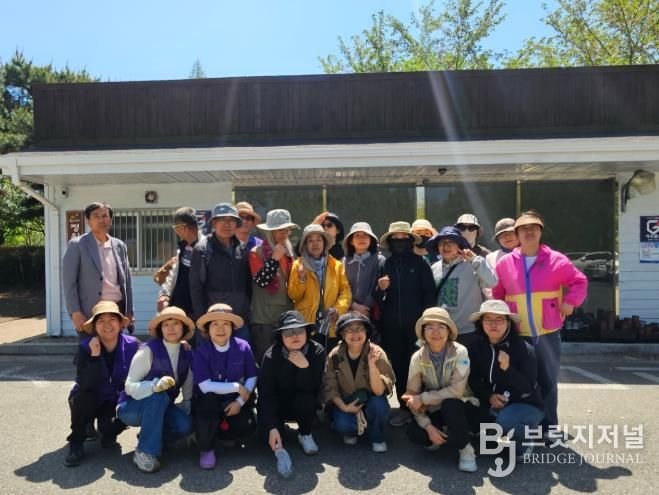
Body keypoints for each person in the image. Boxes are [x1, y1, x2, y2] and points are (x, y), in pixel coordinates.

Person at [492, 210, 587, 437]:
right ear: (517, 234)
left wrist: (571, 301)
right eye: (524, 229)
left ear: (541, 232)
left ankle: (548, 427)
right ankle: (523, 426)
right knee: (519, 381)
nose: (529, 232)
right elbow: (498, 295)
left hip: (547, 333)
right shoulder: (505, 263)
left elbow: (579, 281)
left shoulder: (556, 260)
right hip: (517, 333)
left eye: (534, 228)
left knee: (547, 382)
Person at [116, 306, 195, 473]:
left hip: (162, 406)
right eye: (166, 324)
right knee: (158, 396)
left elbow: (188, 382)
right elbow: (129, 386)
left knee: (185, 425)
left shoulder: (187, 351)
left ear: (184, 328)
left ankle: (149, 436)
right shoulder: (148, 350)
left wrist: (188, 404)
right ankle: (144, 451)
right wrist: (154, 386)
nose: (171, 328)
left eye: (176, 323)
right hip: (131, 407)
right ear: (160, 329)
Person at [402, 307, 480, 473]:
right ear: (423, 332)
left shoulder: (460, 352)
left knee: (450, 404)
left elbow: (456, 391)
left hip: (462, 404)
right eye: (429, 327)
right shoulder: (417, 358)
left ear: (449, 330)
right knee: (414, 433)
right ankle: (441, 434)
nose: (435, 332)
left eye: (441, 327)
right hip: (435, 407)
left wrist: (423, 399)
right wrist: (428, 426)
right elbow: (411, 395)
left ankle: (465, 448)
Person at [374, 221, 436, 427]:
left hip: (416, 328)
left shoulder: (421, 263)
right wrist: (380, 289)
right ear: (390, 242)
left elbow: (430, 295)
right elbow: (376, 298)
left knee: (420, 368)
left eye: (404, 238)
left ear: (411, 241)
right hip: (391, 328)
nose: (400, 242)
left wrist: (427, 324)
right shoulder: (385, 264)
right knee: (400, 368)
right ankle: (404, 409)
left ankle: (424, 409)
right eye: (395, 238)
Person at [64, 301, 140, 467]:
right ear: (95, 326)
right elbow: (84, 383)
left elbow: (153, 353)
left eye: (112, 319)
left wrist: (178, 343)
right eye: (101, 320)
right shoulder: (85, 347)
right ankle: (76, 441)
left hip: (115, 400)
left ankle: (108, 432)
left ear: (120, 324)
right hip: (90, 397)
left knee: (110, 426)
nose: (107, 325)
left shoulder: (133, 344)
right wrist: (94, 356)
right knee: (81, 398)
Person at [467, 300, 544, 460]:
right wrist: (489, 396)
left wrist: (507, 368)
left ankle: (525, 440)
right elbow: (473, 379)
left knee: (506, 421)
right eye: (488, 319)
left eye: (499, 319)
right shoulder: (476, 346)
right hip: (492, 403)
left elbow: (527, 387)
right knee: (467, 415)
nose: (493, 324)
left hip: (525, 404)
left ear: (508, 322)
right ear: (481, 322)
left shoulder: (523, 348)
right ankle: (494, 430)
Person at [258, 310, 326, 478]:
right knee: (268, 437)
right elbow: (266, 395)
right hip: (279, 403)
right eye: (288, 332)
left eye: (299, 330)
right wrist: (271, 427)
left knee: (306, 399)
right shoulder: (271, 356)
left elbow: (315, 388)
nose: (294, 336)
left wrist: (304, 368)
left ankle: (305, 433)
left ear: (307, 333)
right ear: (281, 337)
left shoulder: (317, 351)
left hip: (304, 403)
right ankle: (278, 429)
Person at [193, 304, 258, 469]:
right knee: (207, 402)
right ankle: (206, 448)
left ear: (232, 327)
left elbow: (252, 376)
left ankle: (223, 435)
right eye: (215, 324)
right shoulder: (202, 351)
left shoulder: (243, 346)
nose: (220, 328)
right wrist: (236, 386)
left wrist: (239, 402)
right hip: (210, 402)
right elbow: (205, 386)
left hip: (234, 401)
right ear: (208, 329)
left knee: (247, 425)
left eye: (226, 324)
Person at [322, 312, 395, 452]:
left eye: (359, 328)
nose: (355, 334)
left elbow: (379, 391)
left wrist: (372, 365)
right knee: (342, 424)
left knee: (379, 404)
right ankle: (351, 431)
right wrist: (345, 408)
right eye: (349, 330)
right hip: (346, 402)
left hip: (371, 400)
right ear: (342, 334)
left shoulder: (377, 352)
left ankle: (376, 436)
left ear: (366, 331)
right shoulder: (334, 355)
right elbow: (330, 387)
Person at [62, 202, 134, 335]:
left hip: (117, 309)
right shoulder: (77, 245)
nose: (101, 220)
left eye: (105, 216)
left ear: (110, 220)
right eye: (96, 216)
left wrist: (129, 311)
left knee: (116, 347)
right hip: (89, 312)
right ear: (88, 221)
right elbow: (69, 283)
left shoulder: (119, 246)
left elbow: (127, 282)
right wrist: (75, 312)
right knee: (91, 347)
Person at [425, 226, 498, 349]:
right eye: (442, 243)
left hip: (468, 332)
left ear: (459, 246)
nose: (446, 246)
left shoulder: (472, 265)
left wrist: (475, 260)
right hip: (442, 332)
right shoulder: (434, 268)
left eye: (451, 242)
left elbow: (493, 282)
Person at [189, 202, 252, 342]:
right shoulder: (202, 249)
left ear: (236, 224)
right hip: (212, 322)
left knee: (240, 356)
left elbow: (248, 286)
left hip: (239, 321)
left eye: (231, 220)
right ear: (213, 223)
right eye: (222, 220)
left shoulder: (242, 248)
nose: (226, 224)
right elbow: (196, 288)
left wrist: (246, 313)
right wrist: (202, 321)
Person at [288, 224, 352, 350]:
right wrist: (301, 279)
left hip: (331, 325)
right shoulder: (298, 265)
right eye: (310, 241)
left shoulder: (337, 265)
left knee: (329, 359)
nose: (315, 244)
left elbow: (346, 292)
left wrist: (338, 309)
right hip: (306, 325)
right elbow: (293, 295)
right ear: (305, 245)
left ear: (325, 243)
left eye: (319, 240)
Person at [249, 209, 299, 363]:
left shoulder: (290, 253)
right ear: (270, 231)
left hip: (286, 317)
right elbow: (261, 281)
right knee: (266, 362)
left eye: (287, 230)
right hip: (264, 320)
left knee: (285, 361)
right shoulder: (256, 252)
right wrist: (274, 259)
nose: (284, 234)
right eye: (280, 230)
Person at [157, 207, 202, 319]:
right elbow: (172, 276)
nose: (176, 231)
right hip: (177, 313)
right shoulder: (182, 248)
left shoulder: (206, 248)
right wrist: (164, 294)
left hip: (198, 313)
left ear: (182, 228)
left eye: (175, 228)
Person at [341, 222, 385, 321]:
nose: (362, 238)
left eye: (365, 235)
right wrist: (353, 305)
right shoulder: (344, 262)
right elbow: (342, 287)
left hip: (370, 313)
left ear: (371, 239)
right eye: (357, 235)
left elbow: (377, 287)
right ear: (351, 241)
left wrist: (365, 307)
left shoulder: (379, 260)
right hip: (348, 312)